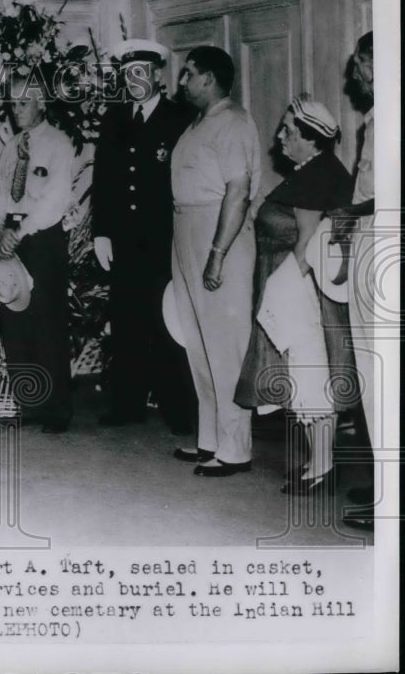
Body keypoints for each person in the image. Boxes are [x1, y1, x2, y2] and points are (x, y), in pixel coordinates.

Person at [235, 98, 352, 494]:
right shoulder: (317, 169)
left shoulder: (315, 175)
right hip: (305, 287)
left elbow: (306, 245)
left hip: (303, 290)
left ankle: (322, 468)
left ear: (310, 138)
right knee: (310, 374)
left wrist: (277, 291)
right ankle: (320, 462)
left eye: (288, 130)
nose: (280, 137)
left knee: (310, 373)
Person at [91, 38, 197, 432]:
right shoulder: (115, 118)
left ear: (156, 74)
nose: (133, 81)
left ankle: (179, 410)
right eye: (127, 74)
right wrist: (101, 233)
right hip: (123, 240)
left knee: (166, 322)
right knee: (127, 322)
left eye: (140, 73)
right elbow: (104, 179)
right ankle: (127, 405)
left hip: (164, 239)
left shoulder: (180, 118)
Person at [169, 46, 260, 477]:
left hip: (218, 233)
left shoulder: (234, 122)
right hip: (187, 229)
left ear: (208, 78)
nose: (182, 81)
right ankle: (211, 439)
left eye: (188, 73)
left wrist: (217, 254)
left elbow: (238, 193)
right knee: (198, 344)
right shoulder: (199, 122)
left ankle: (235, 449)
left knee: (225, 346)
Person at [0, 78, 82, 433]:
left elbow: (55, 199)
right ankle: (28, 404)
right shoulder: (12, 147)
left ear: (41, 103)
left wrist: (21, 232)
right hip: (11, 238)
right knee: (16, 320)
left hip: (42, 239)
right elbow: (0, 194)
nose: (17, 111)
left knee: (47, 321)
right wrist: (1, 230)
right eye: (12, 104)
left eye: (23, 103)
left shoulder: (58, 144)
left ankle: (57, 409)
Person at [332, 31, 376, 529]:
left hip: (384, 245)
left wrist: (352, 212)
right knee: (369, 368)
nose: (355, 75)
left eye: (361, 63)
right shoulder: (374, 117)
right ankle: (386, 478)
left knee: (380, 370)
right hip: (370, 240)